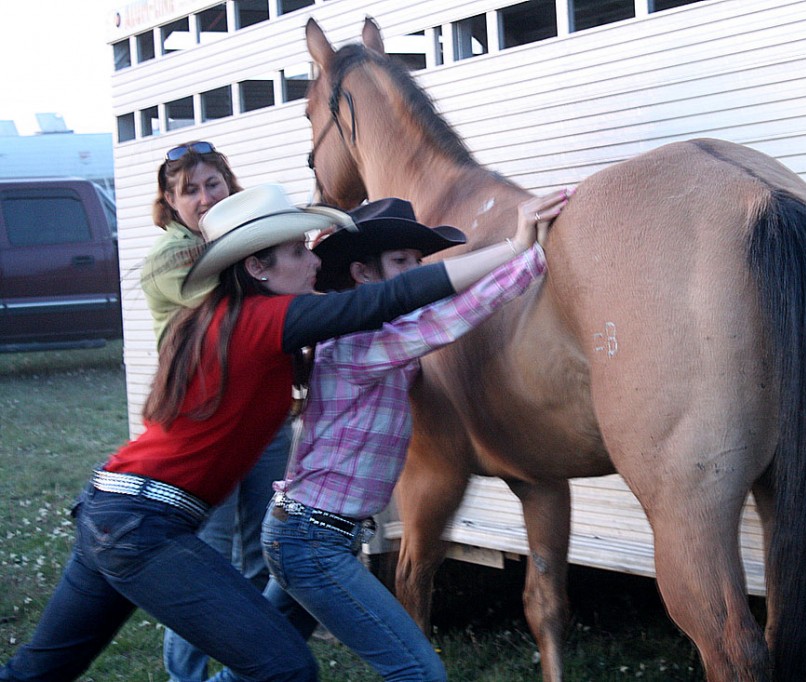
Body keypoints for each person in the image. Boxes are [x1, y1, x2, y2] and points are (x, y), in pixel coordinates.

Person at [0, 183, 557, 682]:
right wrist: (515, 248)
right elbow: (389, 303)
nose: (311, 259)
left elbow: (391, 311)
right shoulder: (263, 320)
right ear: (258, 269)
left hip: (115, 507)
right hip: (144, 524)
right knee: (284, 667)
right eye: (295, 252)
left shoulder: (230, 322)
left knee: (44, 668)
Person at [209, 189, 570, 682]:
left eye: (419, 260)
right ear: (363, 274)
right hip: (311, 539)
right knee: (418, 671)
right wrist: (530, 256)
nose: (416, 272)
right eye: (402, 261)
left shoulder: (375, 332)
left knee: (258, 668)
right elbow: (450, 319)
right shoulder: (361, 341)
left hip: (306, 533)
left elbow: (436, 312)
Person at [140, 140, 291, 682]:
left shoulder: (237, 242)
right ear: (170, 201)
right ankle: (189, 677)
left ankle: (242, 673)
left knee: (262, 558)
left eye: (212, 184)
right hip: (204, 427)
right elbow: (245, 306)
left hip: (260, 422)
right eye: (189, 190)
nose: (204, 197)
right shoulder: (173, 258)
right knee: (206, 566)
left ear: (229, 185)